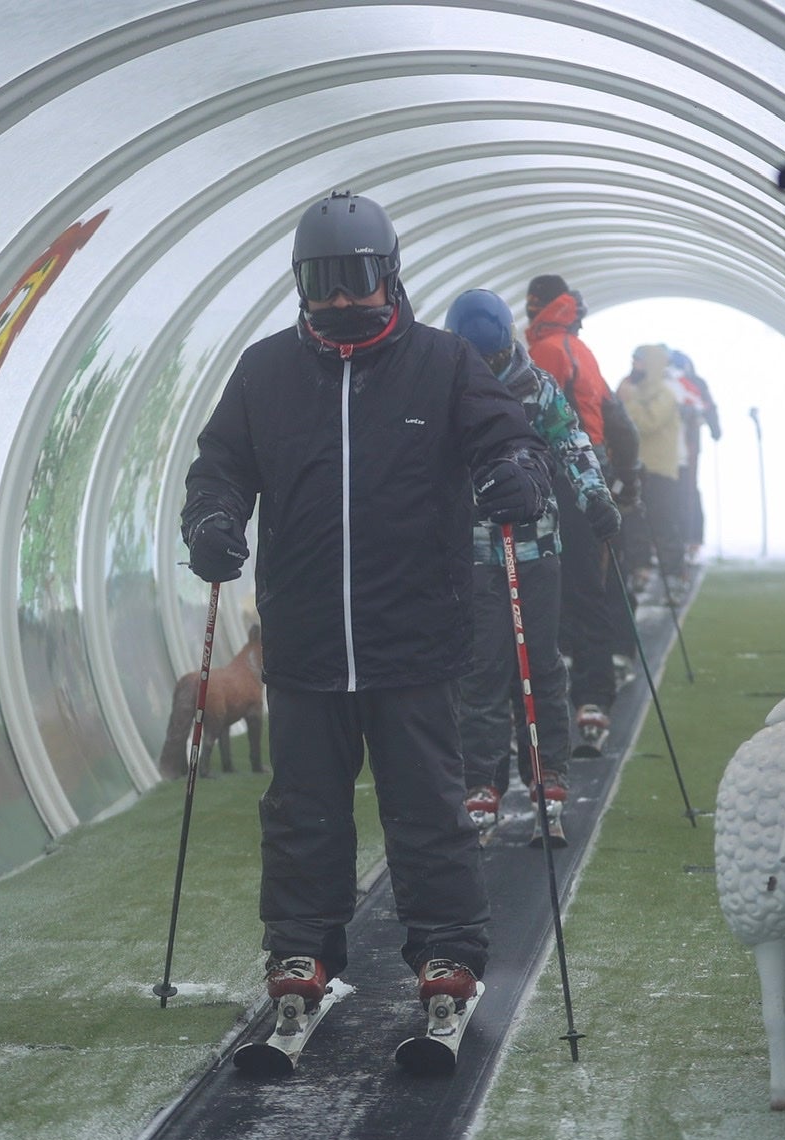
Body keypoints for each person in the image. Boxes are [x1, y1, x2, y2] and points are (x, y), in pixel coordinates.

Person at [181, 191, 553, 1024]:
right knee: (302, 807)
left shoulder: (444, 363)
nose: (341, 299)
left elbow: (513, 441)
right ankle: (301, 947)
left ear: (388, 275)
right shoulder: (266, 371)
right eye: (322, 281)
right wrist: (212, 517)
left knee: (427, 806)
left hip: (415, 636)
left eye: (355, 279)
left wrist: (513, 476)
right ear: (300, 285)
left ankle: (449, 949)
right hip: (306, 640)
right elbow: (220, 465)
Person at [443, 288, 620, 838]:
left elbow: (572, 443)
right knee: (480, 671)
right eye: (478, 360)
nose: (489, 369)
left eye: (494, 358)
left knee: (539, 665)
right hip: (473, 554)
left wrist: (597, 499)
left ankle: (549, 775)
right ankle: (483, 780)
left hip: (536, 548)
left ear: (508, 348)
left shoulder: (536, 389)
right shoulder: (441, 393)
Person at [524, 274, 640, 754]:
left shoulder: (546, 350)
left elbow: (524, 417)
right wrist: (627, 479)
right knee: (587, 586)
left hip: (558, 478)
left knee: (544, 586)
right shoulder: (580, 349)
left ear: (539, 307)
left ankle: (562, 693)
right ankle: (595, 696)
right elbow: (618, 419)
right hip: (595, 472)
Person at [617, 344, 685, 594]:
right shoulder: (629, 388)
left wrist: (629, 402)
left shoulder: (665, 394)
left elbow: (649, 423)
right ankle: (640, 569)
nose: (635, 365)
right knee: (635, 521)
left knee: (663, 522)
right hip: (634, 469)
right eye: (634, 360)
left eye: (640, 361)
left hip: (659, 470)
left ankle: (674, 575)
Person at [666, 349, 721, 561]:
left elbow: (706, 407)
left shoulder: (692, 383)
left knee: (686, 489)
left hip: (688, 444)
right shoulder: (676, 382)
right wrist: (715, 429)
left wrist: (715, 428)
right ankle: (687, 538)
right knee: (682, 490)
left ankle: (691, 538)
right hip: (679, 445)